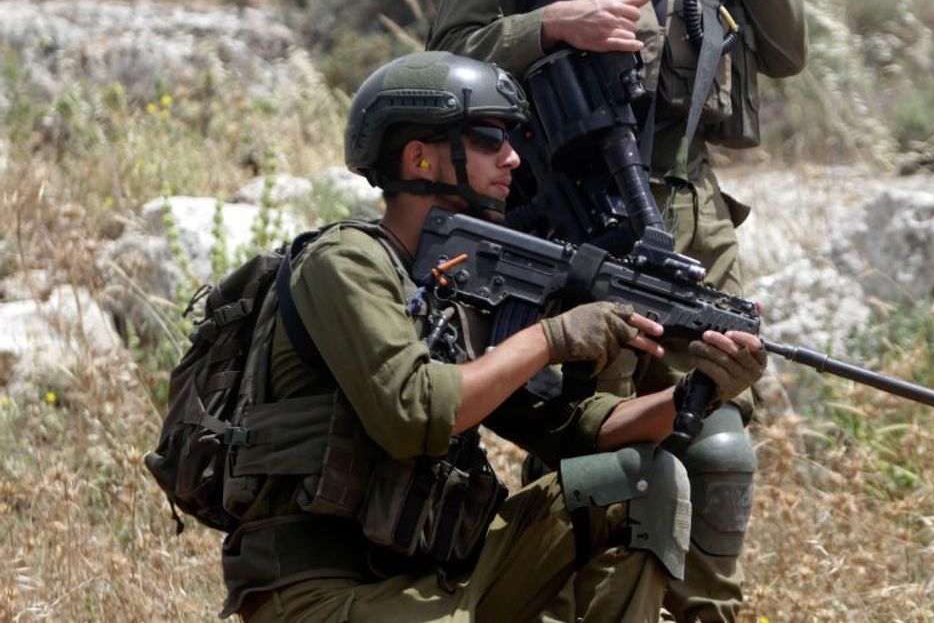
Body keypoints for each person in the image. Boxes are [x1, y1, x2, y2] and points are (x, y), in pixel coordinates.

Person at [216, 52, 767, 622]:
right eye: (488, 138)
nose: (512, 158)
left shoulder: (449, 290)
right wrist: (551, 338)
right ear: (419, 157)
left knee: (643, 480)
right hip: (318, 595)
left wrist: (698, 392)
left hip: (433, 579)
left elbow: (570, 425)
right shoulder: (343, 263)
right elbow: (414, 413)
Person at [429, 0, 806, 619]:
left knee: (716, 436)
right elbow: (448, 53)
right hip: (576, 212)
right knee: (586, 442)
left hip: (692, 221)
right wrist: (548, 24)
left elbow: (787, 51)